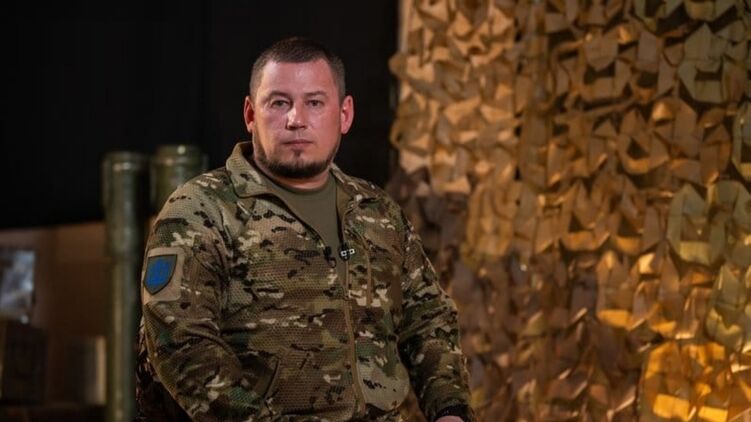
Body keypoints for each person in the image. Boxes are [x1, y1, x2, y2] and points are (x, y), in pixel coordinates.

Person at [135, 37, 473, 422]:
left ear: (344, 114)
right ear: (250, 114)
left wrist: (450, 409)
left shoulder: (376, 211)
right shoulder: (202, 209)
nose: (296, 119)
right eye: (279, 103)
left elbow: (428, 318)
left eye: (314, 103)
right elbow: (181, 345)